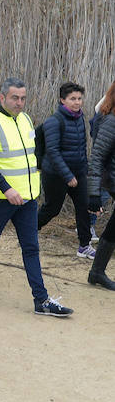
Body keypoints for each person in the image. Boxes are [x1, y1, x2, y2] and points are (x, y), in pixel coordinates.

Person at [0, 77, 74, 316]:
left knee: (31, 247)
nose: (20, 103)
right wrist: (7, 189)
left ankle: (41, 301)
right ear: (2, 97)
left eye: (23, 98)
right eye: (15, 98)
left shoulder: (25, 120)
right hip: (0, 198)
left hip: (27, 198)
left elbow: (33, 153)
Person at [36, 82, 95, 258]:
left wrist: (84, 171)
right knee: (52, 208)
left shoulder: (80, 118)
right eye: (72, 99)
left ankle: (84, 245)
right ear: (62, 100)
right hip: (55, 174)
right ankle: (30, 230)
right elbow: (52, 152)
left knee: (83, 206)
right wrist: (67, 175)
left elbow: (81, 148)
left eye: (79, 99)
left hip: (77, 173)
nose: (77, 102)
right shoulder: (54, 121)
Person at [86, 80, 115, 291]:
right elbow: (96, 158)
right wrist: (93, 194)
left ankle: (96, 272)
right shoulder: (111, 121)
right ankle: (96, 272)